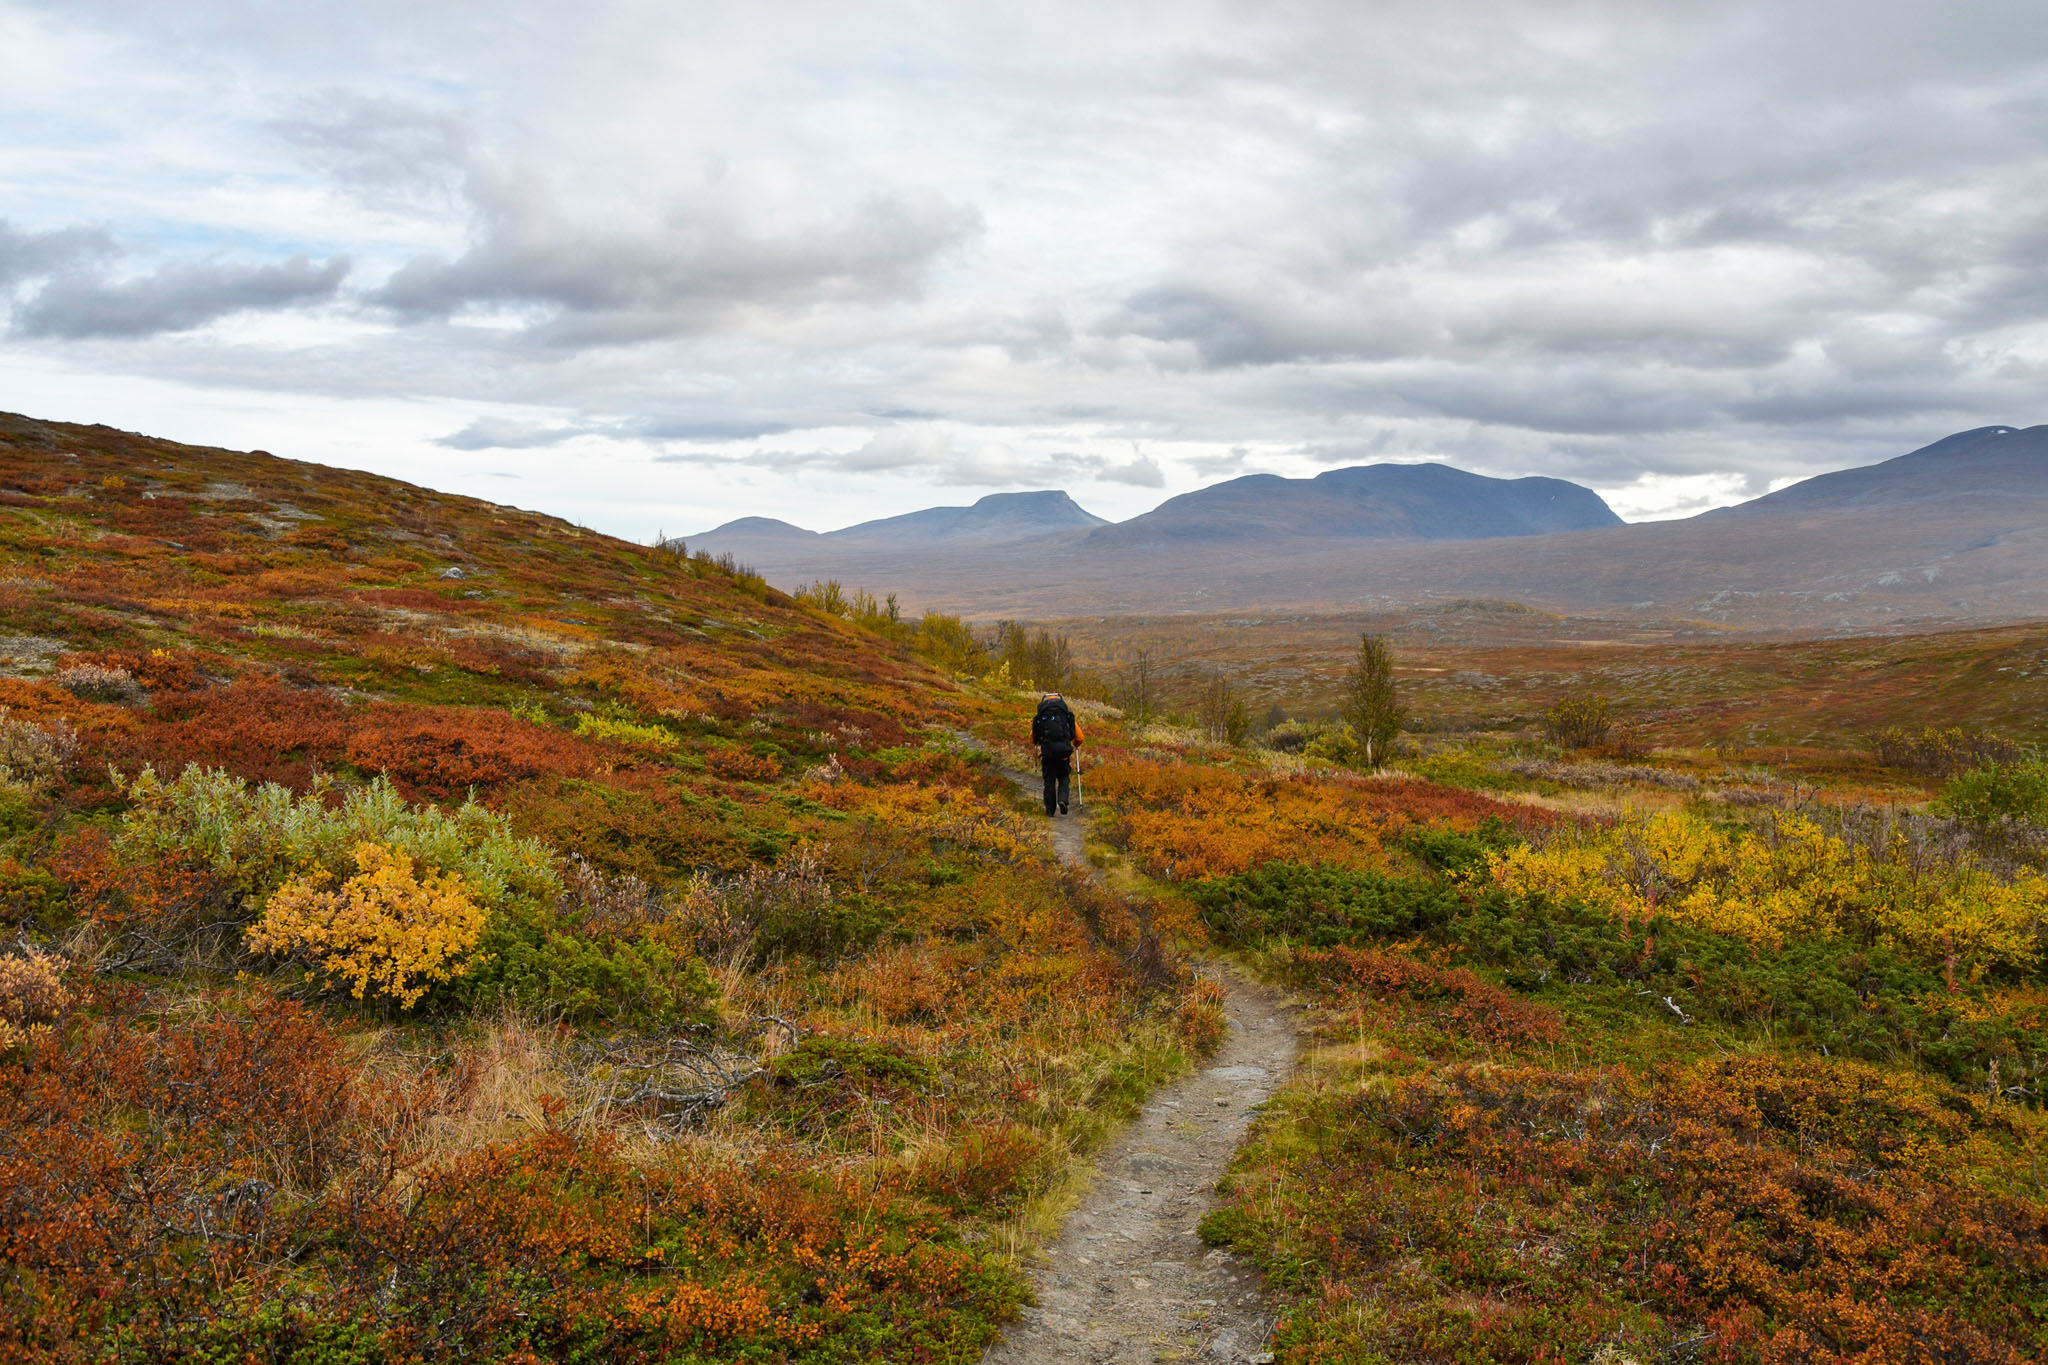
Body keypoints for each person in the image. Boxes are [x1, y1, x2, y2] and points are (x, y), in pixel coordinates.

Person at [1030, 691, 1082, 816]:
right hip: (1063, 753)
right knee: (1064, 777)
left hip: (1048, 754)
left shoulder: (1041, 717)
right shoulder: (1066, 716)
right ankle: (1062, 800)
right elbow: (1080, 737)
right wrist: (1075, 744)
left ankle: (1050, 811)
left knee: (1049, 781)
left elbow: (1033, 738)